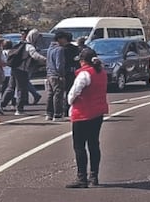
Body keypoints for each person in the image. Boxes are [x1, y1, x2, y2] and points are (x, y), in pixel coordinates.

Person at [65, 46, 110, 188]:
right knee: (93, 144)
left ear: (84, 61)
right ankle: (94, 176)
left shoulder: (84, 74)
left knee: (79, 146)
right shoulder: (101, 72)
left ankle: (82, 178)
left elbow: (73, 94)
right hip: (97, 112)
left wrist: (70, 102)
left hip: (83, 113)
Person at [16, 29, 46, 114]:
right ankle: (18, 107)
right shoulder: (29, 46)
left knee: (22, 85)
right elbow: (35, 55)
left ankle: (20, 105)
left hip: (22, 67)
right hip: (23, 67)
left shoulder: (25, 44)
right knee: (22, 86)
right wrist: (46, 60)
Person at [44, 30, 72, 121]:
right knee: (58, 94)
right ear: (60, 39)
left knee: (50, 94)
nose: (65, 41)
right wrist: (61, 75)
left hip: (49, 74)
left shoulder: (50, 49)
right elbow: (59, 64)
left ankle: (49, 113)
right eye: (64, 39)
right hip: (56, 75)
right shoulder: (59, 49)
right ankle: (58, 114)